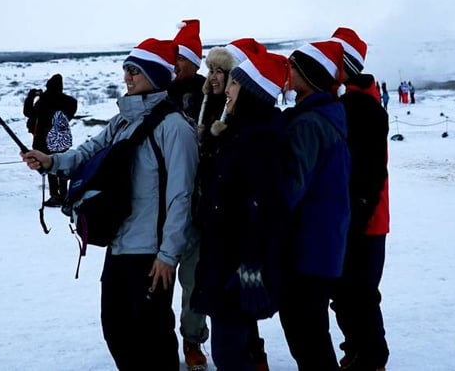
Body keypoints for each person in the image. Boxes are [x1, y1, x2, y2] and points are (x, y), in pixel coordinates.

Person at [22, 38, 198, 370]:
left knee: (153, 339)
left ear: (157, 75)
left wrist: (168, 255)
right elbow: (87, 152)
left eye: (135, 71)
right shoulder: (122, 120)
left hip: (152, 254)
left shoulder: (176, 129)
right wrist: (50, 161)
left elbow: (181, 197)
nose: (127, 77)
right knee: (116, 331)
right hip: (119, 246)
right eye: (126, 70)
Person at [192, 50, 290, 371]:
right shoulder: (236, 130)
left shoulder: (257, 138)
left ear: (250, 91)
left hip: (236, 264)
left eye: (234, 83)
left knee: (228, 353)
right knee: (233, 347)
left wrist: (250, 264)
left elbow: (268, 208)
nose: (227, 90)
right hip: (224, 258)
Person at [280, 40, 351, 370]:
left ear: (309, 74)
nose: (287, 72)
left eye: (293, 67)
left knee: (306, 337)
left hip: (307, 247)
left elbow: (288, 188)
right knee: (311, 335)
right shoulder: (325, 114)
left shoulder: (309, 124)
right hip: (322, 243)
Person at [329, 28, 390, 371]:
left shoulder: (360, 106)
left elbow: (369, 171)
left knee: (360, 292)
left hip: (364, 218)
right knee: (346, 292)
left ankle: (371, 359)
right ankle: (357, 351)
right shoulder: (355, 101)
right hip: (359, 214)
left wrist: (358, 213)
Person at [166, 19, 212, 370]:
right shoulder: (159, 94)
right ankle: (160, 340)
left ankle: (192, 342)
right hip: (161, 203)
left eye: (179, 58)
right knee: (158, 279)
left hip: (198, 204)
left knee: (194, 280)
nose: (174, 64)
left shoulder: (211, 94)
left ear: (193, 60)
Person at [23, 73, 79, 206]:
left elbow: (28, 112)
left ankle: (55, 196)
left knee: (51, 166)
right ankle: (65, 195)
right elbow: (73, 105)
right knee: (62, 164)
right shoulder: (68, 101)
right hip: (61, 137)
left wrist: (31, 96)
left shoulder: (43, 100)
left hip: (43, 139)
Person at [169, 19, 206, 123]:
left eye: (180, 58)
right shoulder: (161, 91)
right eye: (173, 57)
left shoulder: (209, 92)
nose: (175, 63)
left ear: (195, 64)